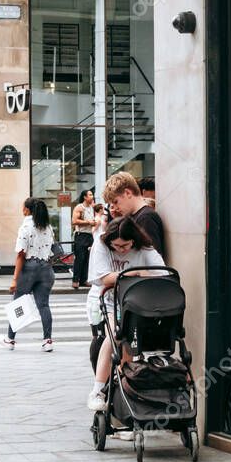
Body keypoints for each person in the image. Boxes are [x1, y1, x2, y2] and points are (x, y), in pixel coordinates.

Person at [87, 215, 166, 411]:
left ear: (135, 240)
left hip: (139, 304)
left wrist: (144, 274)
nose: (121, 250)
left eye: (126, 245)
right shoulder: (102, 244)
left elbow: (162, 273)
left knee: (129, 349)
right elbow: (103, 278)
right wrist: (136, 273)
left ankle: (125, 402)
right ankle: (98, 390)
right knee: (116, 334)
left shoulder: (145, 248)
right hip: (112, 302)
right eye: (116, 246)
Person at [1, 198, 55, 352]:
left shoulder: (25, 227)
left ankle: (10, 339)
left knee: (17, 304)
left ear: (27, 210)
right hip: (46, 268)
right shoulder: (48, 227)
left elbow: (20, 255)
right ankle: (47, 340)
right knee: (44, 305)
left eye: (22, 207)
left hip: (29, 268)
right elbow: (52, 251)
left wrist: (14, 279)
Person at [102, 171, 165, 259]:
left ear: (128, 193)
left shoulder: (146, 218)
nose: (115, 208)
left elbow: (153, 260)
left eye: (116, 202)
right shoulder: (138, 216)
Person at [71, 189, 96, 289]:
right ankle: (75, 280)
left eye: (92, 194)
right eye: (90, 195)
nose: (92, 196)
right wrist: (89, 222)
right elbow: (74, 221)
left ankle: (84, 280)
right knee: (80, 258)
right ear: (85, 197)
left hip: (90, 235)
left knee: (87, 259)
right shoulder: (79, 207)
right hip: (81, 235)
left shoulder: (92, 207)